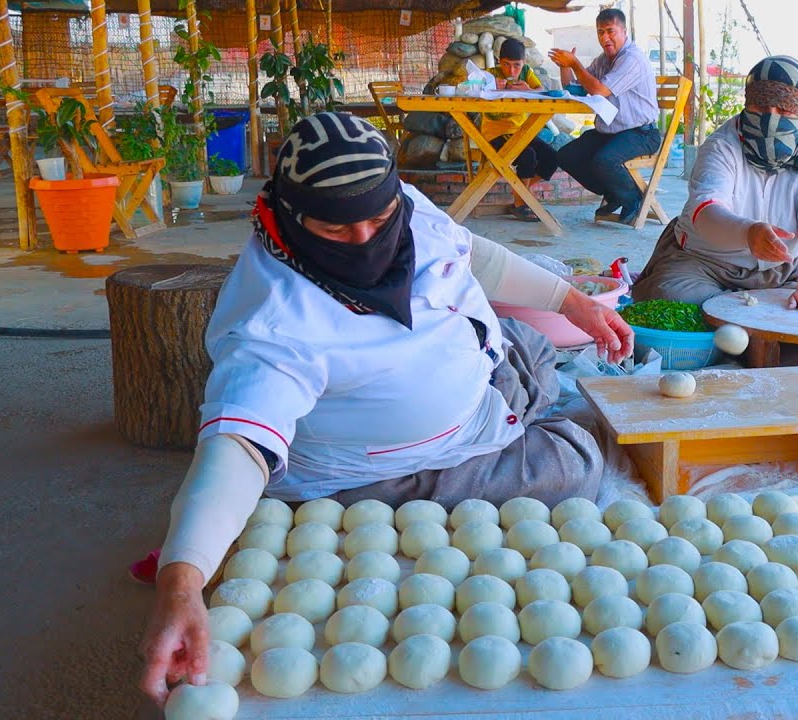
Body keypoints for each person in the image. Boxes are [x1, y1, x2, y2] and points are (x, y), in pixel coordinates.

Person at [138, 112, 634, 706]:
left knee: (531, 343)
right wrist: (182, 577)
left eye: (380, 218)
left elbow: (472, 254)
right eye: (338, 230)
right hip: (389, 466)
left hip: (478, 387)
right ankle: (496, 440)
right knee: (577, 462)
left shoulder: (401, 202)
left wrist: (571, 300)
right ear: (291, 218)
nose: (368, 240)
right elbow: (239, 445)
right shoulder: (274, 323)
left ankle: (501, 404)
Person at [631, 55, 798, 314]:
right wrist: (748, 233)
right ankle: (772, 306)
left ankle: (740, 307)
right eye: (761, 108)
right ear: (748, 105)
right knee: (670, 293)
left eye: (783, 111)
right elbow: (707, 213)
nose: (771, 119)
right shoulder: (720, 145)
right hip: (710, 263)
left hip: (791, 264)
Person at [549, 8, 660, 226]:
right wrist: (565, 67)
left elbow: (598, 90)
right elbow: (577, 89)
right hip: (612, 132)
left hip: (642, 134)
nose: (605, 38)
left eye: (611, 31)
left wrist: (575, 64)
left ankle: (632, 197)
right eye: (601, 32)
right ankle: (615, 192)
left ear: (624, 32)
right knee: (566, 156)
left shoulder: (632, 59)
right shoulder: (603, 60)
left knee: (604, 160)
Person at [483, 40, 557, 222]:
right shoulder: (490, 75)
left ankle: (520, 194)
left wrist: (529, 90)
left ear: (524, 63)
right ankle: (520, 204)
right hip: (495, 135)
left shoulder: (527, 73)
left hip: (520, 131)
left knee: (552, 157)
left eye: (517, 65)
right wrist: (489, 88)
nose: (512, 71)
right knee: (528, 155)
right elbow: (470, 89)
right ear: (499, 61)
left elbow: (542, 91)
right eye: (506, 64)